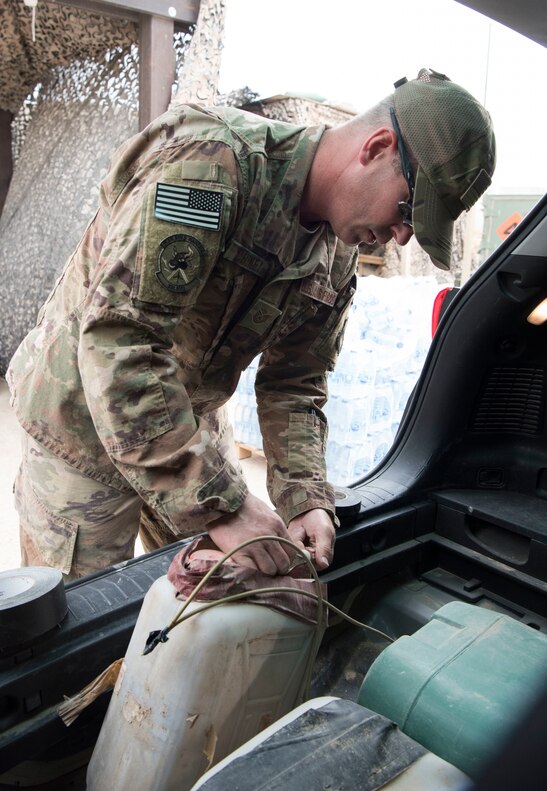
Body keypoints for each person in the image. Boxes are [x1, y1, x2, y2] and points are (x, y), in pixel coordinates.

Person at [7, 68, 496, 581]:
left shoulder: (337, 255)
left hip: (185, 420)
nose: (400, 238)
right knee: (86, 626)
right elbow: (119, 340)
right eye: (407, 211)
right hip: (81, 424)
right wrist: (224, 506)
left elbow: (295, 385)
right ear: (375, 147)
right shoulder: (211, 168)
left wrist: (304, 495)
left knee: (213, 598)